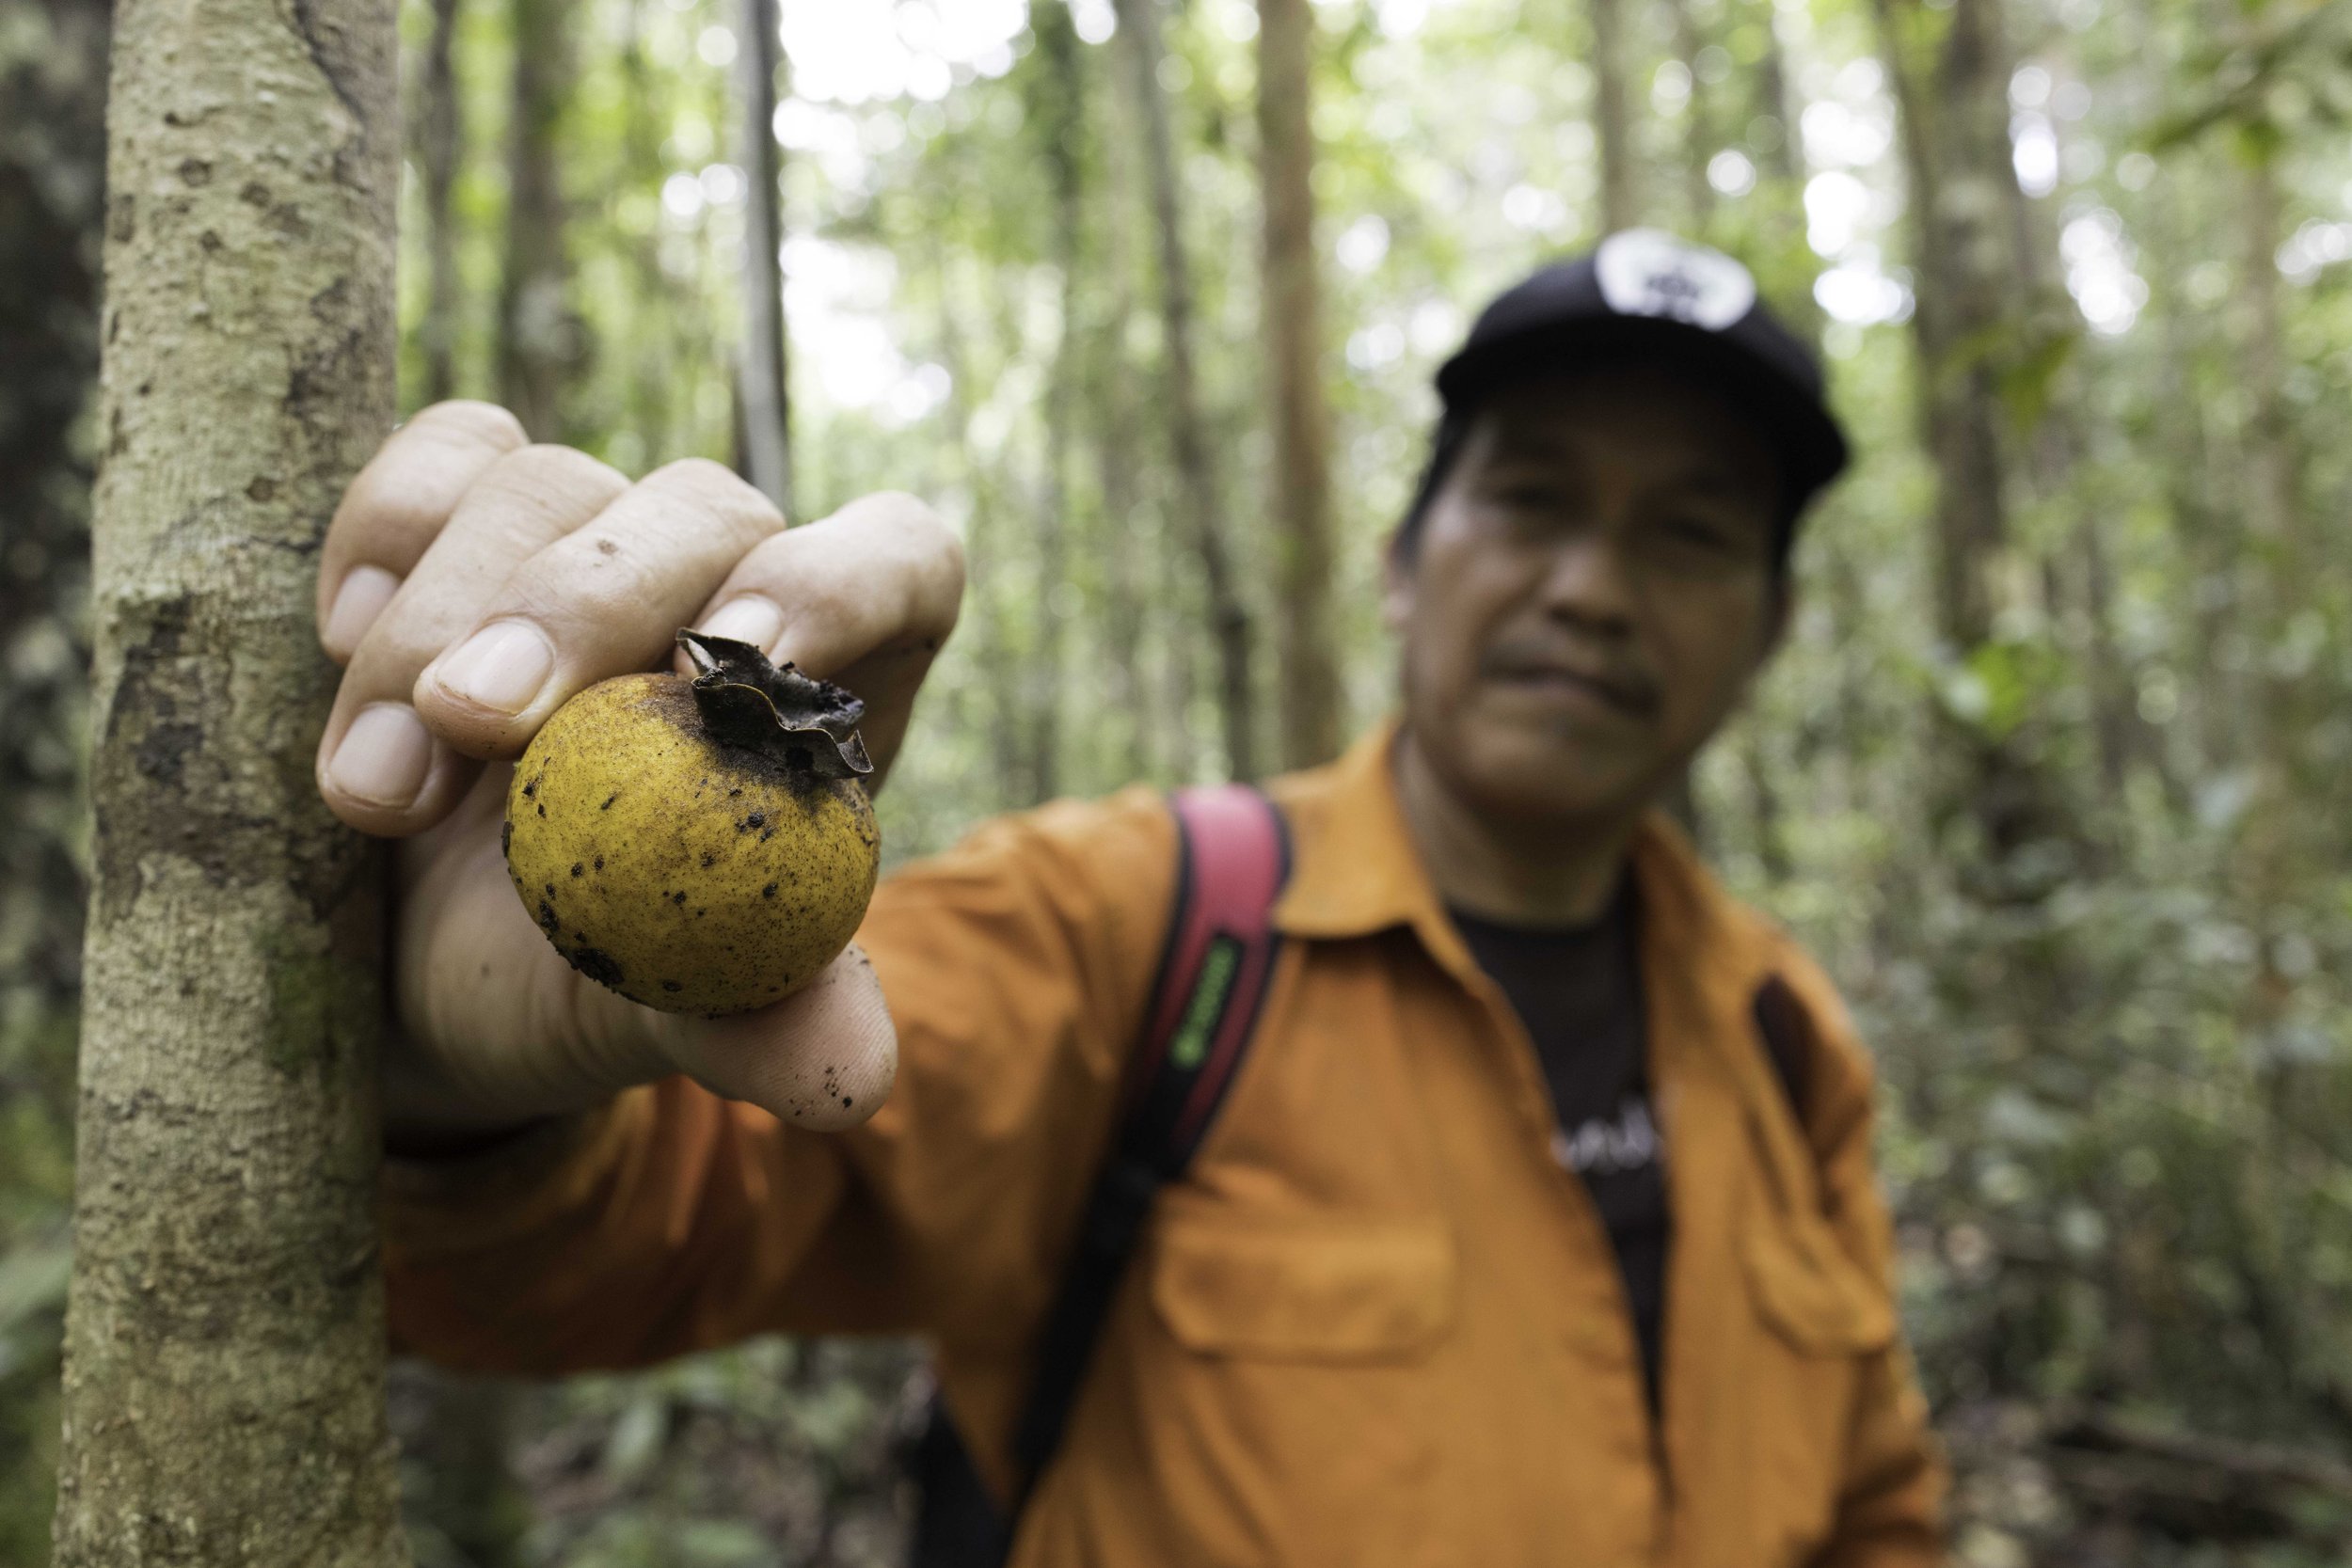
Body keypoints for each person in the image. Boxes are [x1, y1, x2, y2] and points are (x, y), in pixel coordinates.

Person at [320, 227, 1944, 1566]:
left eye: (1689, 533)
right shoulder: (1136, 934)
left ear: (1771, 628)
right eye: (1532, 501)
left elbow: (1873, 1510)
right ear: (1401, 561)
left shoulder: (1787, 1043)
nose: (1592, 588)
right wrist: (454, 1090)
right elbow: (625, 1242)